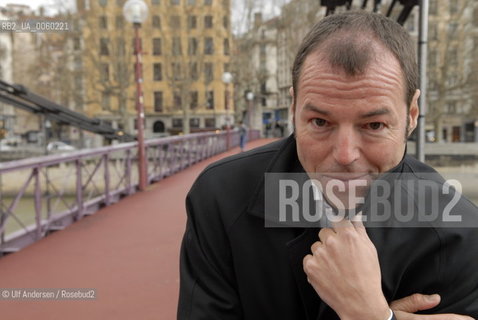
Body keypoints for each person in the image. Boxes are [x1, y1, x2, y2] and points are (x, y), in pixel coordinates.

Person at [178, 11, 478, 320]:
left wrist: (368, 315)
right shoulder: (221, 197)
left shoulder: (460, 230)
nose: (345, 155)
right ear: (293, 108)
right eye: (320, 122)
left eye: (374, 125)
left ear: (412, 114)